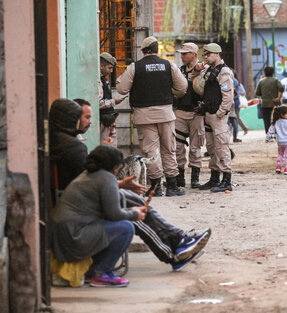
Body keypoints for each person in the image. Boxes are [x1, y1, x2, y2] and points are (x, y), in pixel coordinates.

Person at [49, 98, 211, 273]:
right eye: (83, 117)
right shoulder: (72, 147)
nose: (89, 121)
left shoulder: (60, 141)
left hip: (82, 199)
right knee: (134, 215)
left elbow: (90, 180)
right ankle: (173, 253)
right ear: (70, 119)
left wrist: (119, 184)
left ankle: (179, 239)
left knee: (135, 200)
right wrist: (130, 209)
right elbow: (92, 182)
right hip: (83, 207)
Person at [52, 145, 147, 287]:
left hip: (66, 233)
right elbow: (114, 214)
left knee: (113, 226)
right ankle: (103, 273)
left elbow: (109, 211)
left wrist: (130, 211)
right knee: (126, 228)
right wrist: (134, 214)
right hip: (74, 235)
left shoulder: (89, 175)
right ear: (115, 167)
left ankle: (93, 270)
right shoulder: (106, 178)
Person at [116, 36, 187, 197]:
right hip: (166, 114)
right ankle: (172, 186)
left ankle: (156, 187)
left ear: (143, 51)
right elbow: (182, 86)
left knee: (151, 151)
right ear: (157, 50)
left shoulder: (135, 67)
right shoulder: (168, 65)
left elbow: (121, 89)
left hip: (144, 115)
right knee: (169, 149)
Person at [191, 43, 234, 192]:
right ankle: (214, 178)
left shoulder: (224, 72)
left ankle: (226, 180)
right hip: (209, 114)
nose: (206, 57)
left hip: (217, 115)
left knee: (222, 147)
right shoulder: (209, 71)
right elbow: (197, 84)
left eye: (208, 54)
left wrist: (220, 113)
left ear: (217, 54)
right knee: (211, 147)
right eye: (205, 55)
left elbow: (228, 97)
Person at [173, 42, 205, 188]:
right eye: (181, 53)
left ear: (193, 54)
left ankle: (194, 178)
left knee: (195, 146)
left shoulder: (204, 69)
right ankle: (179, 177)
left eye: (185, 53)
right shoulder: (179, 70)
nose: (182, 56)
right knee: (178, 146)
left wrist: (204, 107)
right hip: (180, 111)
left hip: (196, 112)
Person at [99, 52, 124, 147]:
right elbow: (98, 103)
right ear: (101, 66)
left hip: (109, 120)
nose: (111, 71)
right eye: (109, 68)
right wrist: (114, 101)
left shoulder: (103, 79)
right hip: (103, 121)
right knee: (106, 148)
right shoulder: (98, 80)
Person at [265, 106, 287, 175]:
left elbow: (270, 131)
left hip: (280, 142)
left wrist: (267, 138)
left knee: (280, 154)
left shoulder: (276, 122)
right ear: (282, 115)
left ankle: (278, 167)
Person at [255, 66, 284, 133]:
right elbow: (281, 88)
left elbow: (257, 93)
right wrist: (278, 98)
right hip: (275, 104)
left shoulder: (261, 81)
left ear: (264, 73)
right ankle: (276, 133)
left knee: (266, 120)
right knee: (276, 119)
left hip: (265, 104)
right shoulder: (276, 80)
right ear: (273, 72)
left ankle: (269, 134)